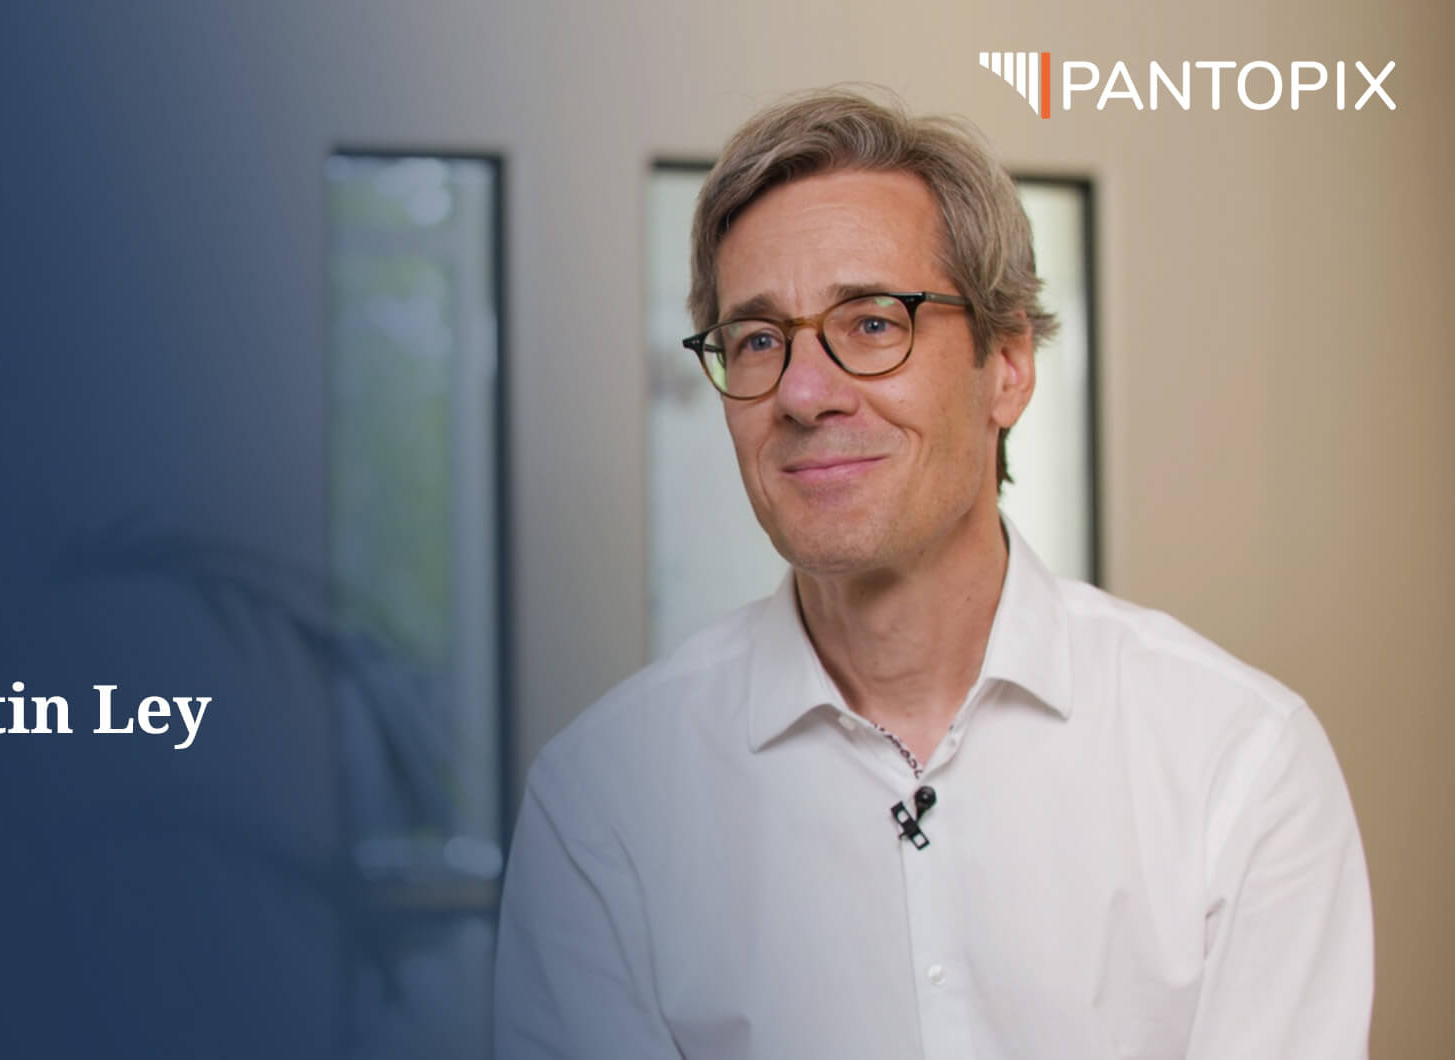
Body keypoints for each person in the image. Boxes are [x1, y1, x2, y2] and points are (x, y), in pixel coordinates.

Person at [494, 87, 1372, 1060]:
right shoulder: (606, 799)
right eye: (758, 340)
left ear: (1008, 365)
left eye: (873, 323)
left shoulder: (1234, 763)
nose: (803, 392)